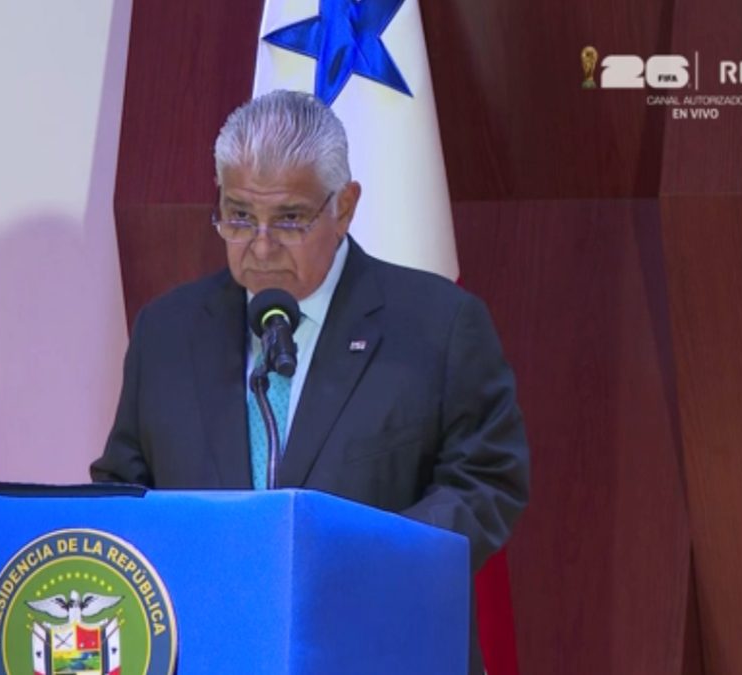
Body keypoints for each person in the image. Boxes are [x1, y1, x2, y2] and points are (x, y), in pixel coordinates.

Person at [90, 90, 529, 672]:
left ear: (343, 207)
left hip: (378, 647)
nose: (261, 246)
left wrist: (356, 560)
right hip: (209, 649)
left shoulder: (437, 326)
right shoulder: (166, 333)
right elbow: (123, 490)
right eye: (240, 216)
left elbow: (487, 481)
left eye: (290, 219)